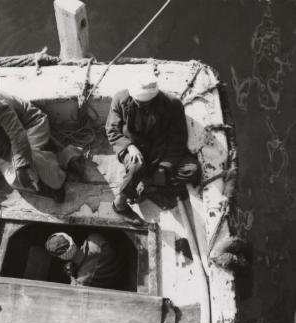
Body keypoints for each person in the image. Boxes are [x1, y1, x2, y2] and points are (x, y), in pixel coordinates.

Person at [105, 67, 200, 221]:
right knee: (137, 166)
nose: (142, 105)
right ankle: (120, 204)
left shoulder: (172, 105)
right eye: (137, 101)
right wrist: (129, 146)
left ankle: (146, 183)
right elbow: (112, 130)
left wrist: (164, 167)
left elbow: (178, 139)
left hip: (159, 152)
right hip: (133, 148)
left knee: (192, 170)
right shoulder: (120, 99)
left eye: (146, 103)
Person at [0, 76, 66, 201]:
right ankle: (40, 169)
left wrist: (21, 166)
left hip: (31, 126)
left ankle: (55, 182)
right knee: (13, 179)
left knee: (28, 163)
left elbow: (17, 135)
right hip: (5, 137)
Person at [45, 231, 123, 289]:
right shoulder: (95, 238)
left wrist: (71, 276)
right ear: (71, 240)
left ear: (62, 257)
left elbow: (74, 290)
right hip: (121, 268)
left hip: (117, 284)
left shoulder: (83, 279)